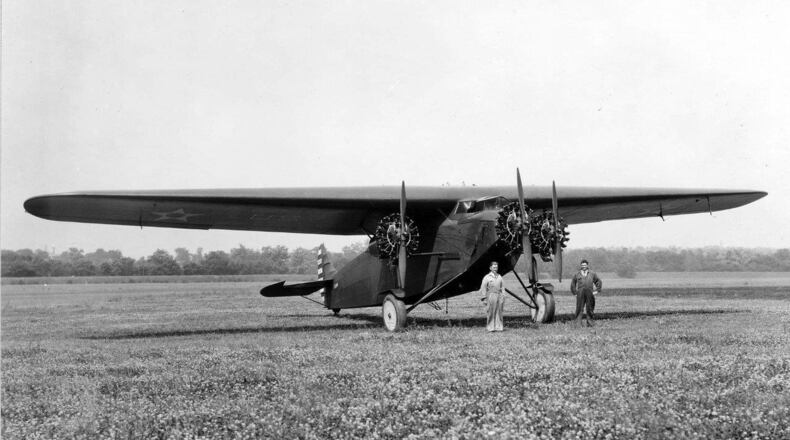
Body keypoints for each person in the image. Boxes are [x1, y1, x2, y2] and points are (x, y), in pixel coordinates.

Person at [570, 259, 602, 326]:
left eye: (585, 265)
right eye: (582, 265)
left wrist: (597, 291)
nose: (583, 266)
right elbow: (573, 284)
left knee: (590, 308)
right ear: (581, 266)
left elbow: (598, 281)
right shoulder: (577, 274)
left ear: (587, 265)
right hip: (580, 293)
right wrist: (575, 293)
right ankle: (577, 324)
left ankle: (590, 323)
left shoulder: (592, 273)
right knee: (579, 308)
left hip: (590, 293)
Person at [479, 261, 505, 332]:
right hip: (491, 295)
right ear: (490, 268)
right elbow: (483, 287)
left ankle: (499, 327)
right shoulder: (487, 277)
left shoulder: (499, 276)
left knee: (499, 312)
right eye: (494, 267)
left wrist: (503, 296)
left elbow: (502, 287)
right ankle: (490, 328)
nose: (495, 268)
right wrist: (484, 298)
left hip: (499, 295)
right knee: (491, 312)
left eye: (496, 267)